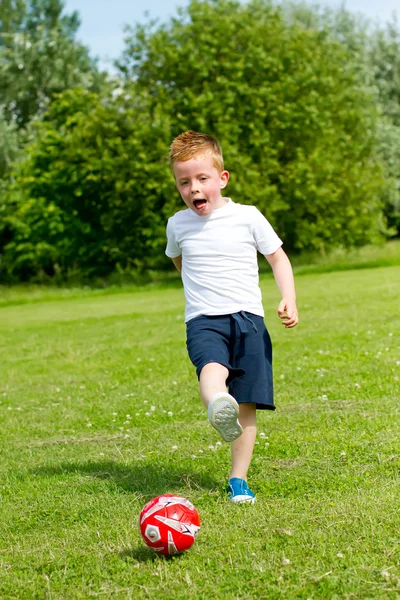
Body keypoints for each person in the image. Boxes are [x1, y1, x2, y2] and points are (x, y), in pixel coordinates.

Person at [165, 130, 298, 504]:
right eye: (184, 182)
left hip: (249, 320)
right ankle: (216, 405)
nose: (193, 188)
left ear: (221, 178)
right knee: (212, 366)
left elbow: (277, 258)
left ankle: (238, 479)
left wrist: (288, 297)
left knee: (248, 404)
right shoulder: (177, 225)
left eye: (201, 178)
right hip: (204, 318)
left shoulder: (248, 217)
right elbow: (178, 259)